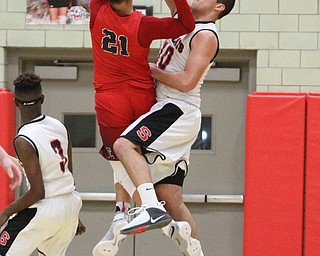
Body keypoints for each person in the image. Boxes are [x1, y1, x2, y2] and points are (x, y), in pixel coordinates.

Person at [112, 0, 236, 255]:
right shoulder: (183, 16)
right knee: (171, 198)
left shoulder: (206, 35)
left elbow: (188, 81)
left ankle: (142, 209)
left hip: (178, 107)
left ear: (219, 7)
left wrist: (150, 70)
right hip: (169, 108)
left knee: (123, 145)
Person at [90, 0, 195, 254]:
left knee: (120, 157)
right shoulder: (144, 25)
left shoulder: (97, 12)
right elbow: (186, 23)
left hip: (110, 99)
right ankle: (127, 211)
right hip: (142, 98)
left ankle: (136, 210)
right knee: (135, 156)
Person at [0, 72, 86, 256]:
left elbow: (38, 191)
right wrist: (74, 217)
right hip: (70, 205)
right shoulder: (59, 126)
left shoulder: (23, 139)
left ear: (15, 103)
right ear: (42, 99)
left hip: (46, 208)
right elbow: (67, 173)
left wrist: (6, 212)